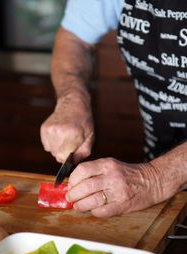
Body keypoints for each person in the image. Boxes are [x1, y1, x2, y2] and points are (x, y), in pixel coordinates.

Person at [40, 0, 187, 218]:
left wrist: (157, 178)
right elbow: (74, 39)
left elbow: (155, 180)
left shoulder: (154, 180)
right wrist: (72, 98)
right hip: (160, 177)